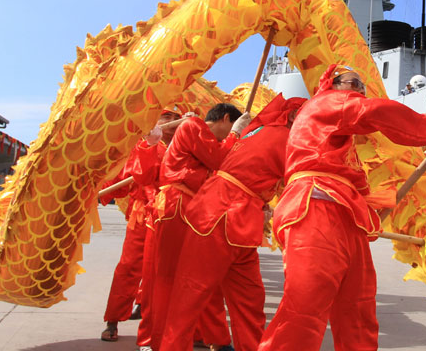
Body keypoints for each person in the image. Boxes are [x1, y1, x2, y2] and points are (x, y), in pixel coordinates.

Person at [257, 65, 426, 351]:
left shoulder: (339, 139)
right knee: (306, 305)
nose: (360, 92)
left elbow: (355, 186)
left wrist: (385, 205)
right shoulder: (325, 104)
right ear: (332, 86)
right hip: (314, 208)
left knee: (358, 309)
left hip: (344, 216)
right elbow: (372, 112)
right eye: (354, 84)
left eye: (363, 87)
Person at [161, 95, 307, 351]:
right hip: (218, 215)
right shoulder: (284, 138)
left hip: (231, 218)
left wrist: (263, 204)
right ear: (295, 117)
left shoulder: (261, 132)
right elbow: (304, 180)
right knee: (194, 295)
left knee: (243, 298)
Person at [150, 103, 250, 350]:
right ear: (226, 118)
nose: (230, 135)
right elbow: (220, 159)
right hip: (178, 205)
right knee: (169, 278)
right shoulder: (193, 125)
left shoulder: (201, 135)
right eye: (231, 127)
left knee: (201, 277)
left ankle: (214, 337)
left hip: (192, 208)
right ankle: (162, 341)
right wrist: (236, 135)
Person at [100, 109, 181, 343]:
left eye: (173, 119)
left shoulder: (183, 144)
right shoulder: (144, 144)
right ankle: (113, 320)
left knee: (167, 270)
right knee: (129, 266)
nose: (170, 124)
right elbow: (127, 176)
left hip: (171, 214)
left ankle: (158, 321)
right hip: (142, 214)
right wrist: (100, 191)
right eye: (165, 119)